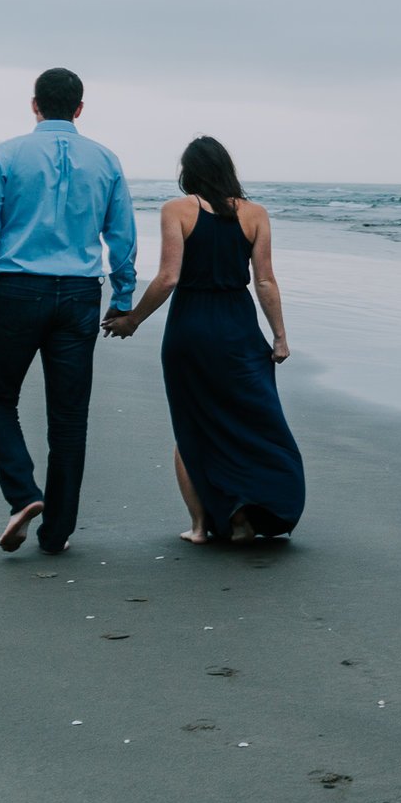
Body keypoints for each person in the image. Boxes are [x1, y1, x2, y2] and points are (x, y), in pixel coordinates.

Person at [0, 68, 137, 555]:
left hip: (17, 292)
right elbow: (121, 237)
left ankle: (24, 496)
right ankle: (57, 533)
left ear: (34, 105)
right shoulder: (107, 160)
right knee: (70, 418)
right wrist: (122, 296)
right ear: (79, 108)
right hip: (79, 295)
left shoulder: (6, 155)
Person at [105, 137, 305, 544]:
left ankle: (201, 526)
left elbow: (168, 277)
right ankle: (247, 512)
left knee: (192, 424)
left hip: (191, 327)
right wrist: (280, 336)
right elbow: (264, 279)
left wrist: (135, 319)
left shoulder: (177, 210)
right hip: (240, 329)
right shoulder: (256, 215)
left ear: (188, 171)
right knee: (251, 422)